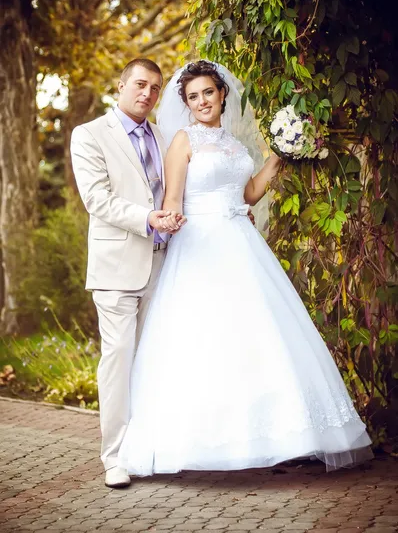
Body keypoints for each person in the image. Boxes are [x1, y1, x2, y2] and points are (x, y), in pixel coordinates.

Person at [117, 60, 373, 476]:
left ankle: (274, 436)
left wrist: (280, 155)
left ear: (222, 95)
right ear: (186, 103)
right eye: (192, 96)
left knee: (259, 333)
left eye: (208, 93)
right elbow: (173, 199)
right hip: (200, 243)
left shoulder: (236, 144)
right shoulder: (183, 141)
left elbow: (249, 193)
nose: (202, 101)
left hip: (240, 239)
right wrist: (174, 222)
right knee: (205, 336)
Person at [70, 58, 187, 488]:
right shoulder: (89, 135)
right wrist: (148, 219)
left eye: (155, 88)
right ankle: (115, 457)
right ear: (120, 85)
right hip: (118, 267)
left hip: (165, 265)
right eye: (140, 84)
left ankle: (151, 447)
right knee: (118, 360)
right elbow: (96, 199)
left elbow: (177, 194)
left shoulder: (164, 137)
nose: (147, 94)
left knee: (154, 359)